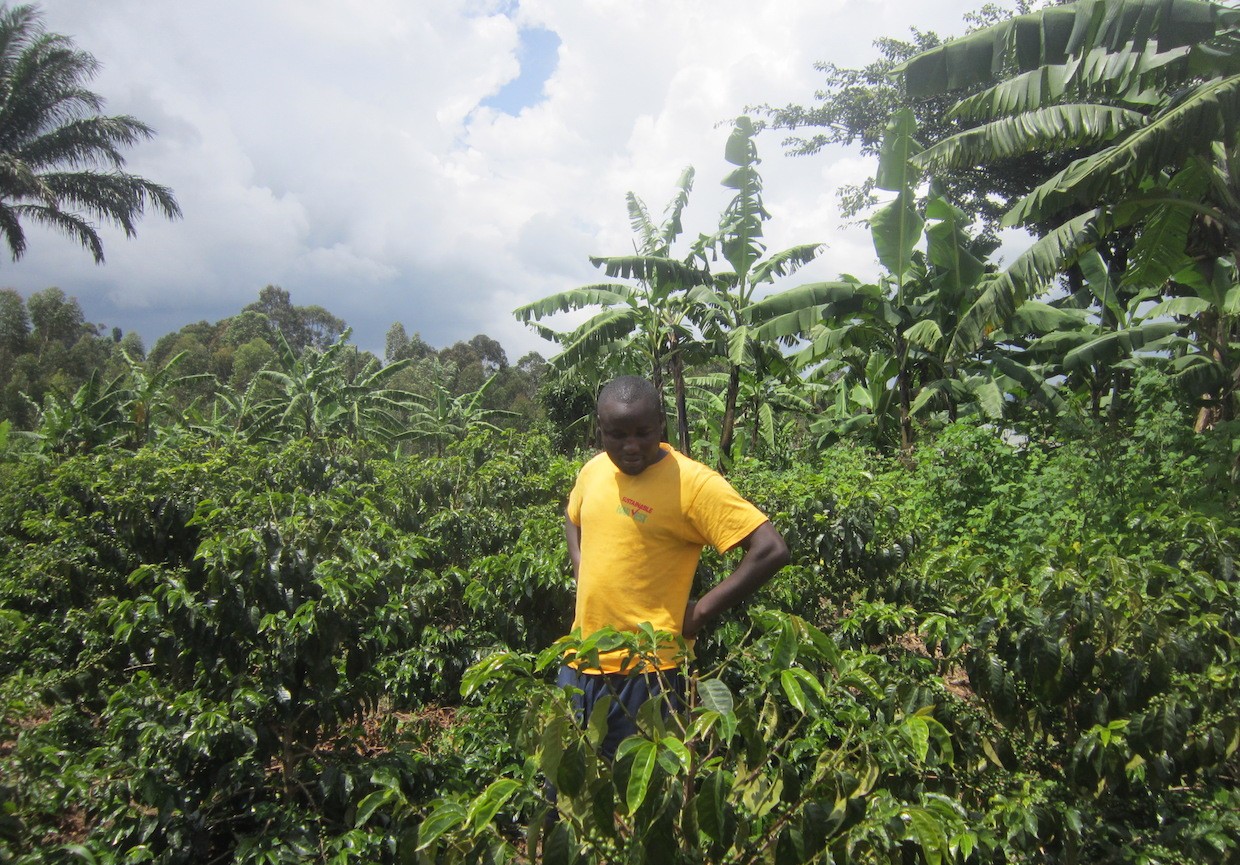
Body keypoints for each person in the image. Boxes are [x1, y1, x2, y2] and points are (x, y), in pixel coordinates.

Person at [557, 375, 789, 758]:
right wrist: (580, 566)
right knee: (567, 791)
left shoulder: (692, 483)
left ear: (661, 424)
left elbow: (770, 549)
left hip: (649, 674)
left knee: (640, 794)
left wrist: (699, 612)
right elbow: (573, 516)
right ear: (600, 430)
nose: (630, 446)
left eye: (642, 433)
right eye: (617, 435)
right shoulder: (594, 470)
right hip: (579, 661)